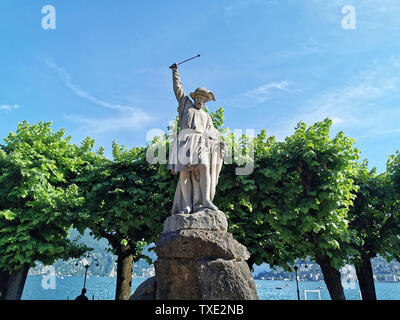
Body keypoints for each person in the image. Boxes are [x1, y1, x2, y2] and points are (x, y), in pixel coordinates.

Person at [168, 63, 225, 214]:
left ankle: (205, 200)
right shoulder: (186, 103)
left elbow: (213, 132)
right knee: (184, 173)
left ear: (206, 101)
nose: (200, 100)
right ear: (194, 97)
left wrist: (219, 141)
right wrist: (175, 72)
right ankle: (187, 205)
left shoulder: (207, 116)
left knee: (205, 166)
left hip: (201, 143)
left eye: (203, 98)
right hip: (185, 140)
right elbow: (178, 89)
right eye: (198, 97)